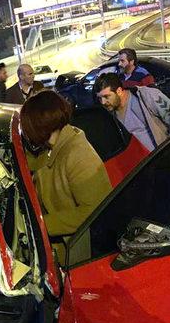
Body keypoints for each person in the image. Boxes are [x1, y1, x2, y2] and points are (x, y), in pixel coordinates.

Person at [19, 90, 112, 263]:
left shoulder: (78, 153)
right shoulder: (50, 148)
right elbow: (36, 168)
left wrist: (40, 224)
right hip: (60, 248)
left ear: (38, 126)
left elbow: (94, 210)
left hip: (77, 253)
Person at [93, 73, 170, 152]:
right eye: (100, 98)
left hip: (162, 158)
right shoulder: (109, 112)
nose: (103, 102)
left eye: (106, 96)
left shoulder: (147, 95)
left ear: (119, 91)